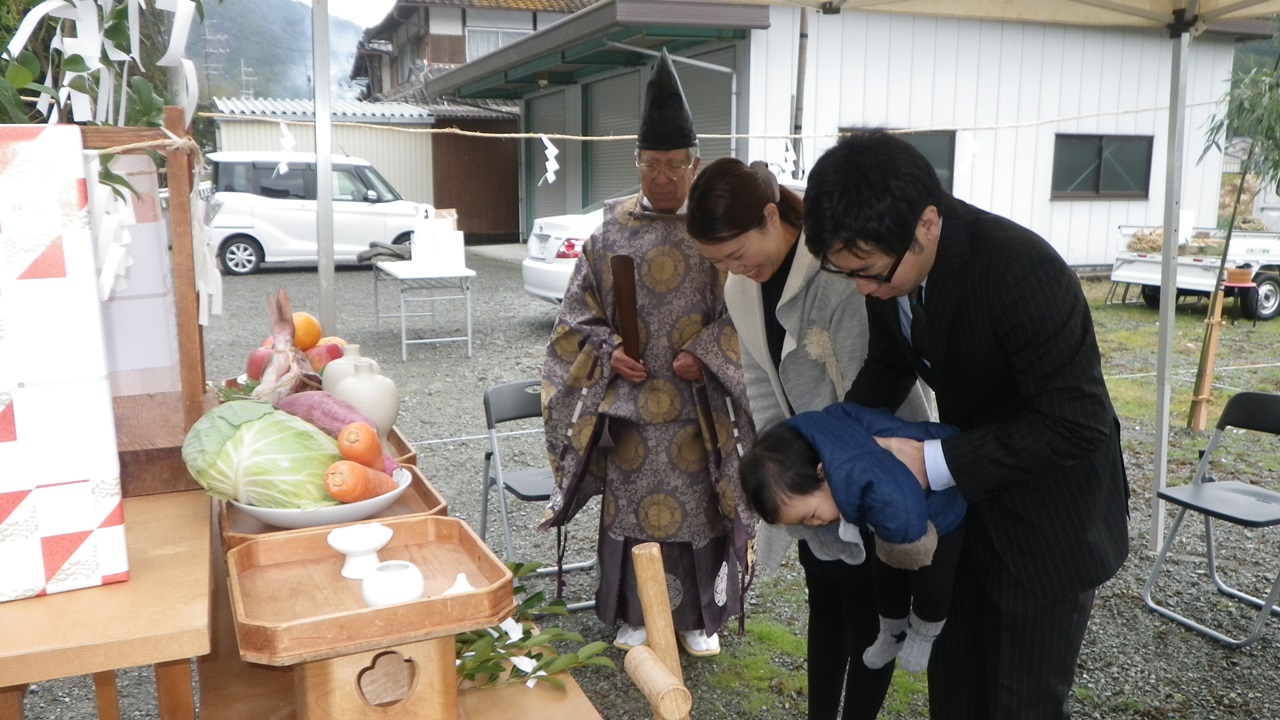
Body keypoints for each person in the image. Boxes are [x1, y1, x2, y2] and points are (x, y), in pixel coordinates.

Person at [803, 130, 1130, 719]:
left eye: (872, 273)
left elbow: (1077, 424)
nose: (863, 289)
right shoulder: (892, 270)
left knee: (1019, 703)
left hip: (1047, 523)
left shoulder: (1020, 270)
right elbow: (888, 364)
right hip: (966, 518)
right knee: (954, 696)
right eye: (847, 273)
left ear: (927, 223)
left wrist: (931, 464)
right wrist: (829, 438)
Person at [686, 157, 931, 719]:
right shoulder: (744, 289)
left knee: (873, 611)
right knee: (825, 598)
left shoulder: (832, 268)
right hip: (807, 470)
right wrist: (782, 466)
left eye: (735, 253)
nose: (733, 269)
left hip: (871, 455)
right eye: (718, 261)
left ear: (771, 216)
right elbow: (760, 386)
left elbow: (867, 386)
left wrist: (833, 474)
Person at [540, 49, 756, 659]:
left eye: (674, 164)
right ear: (636, 163)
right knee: (635, 515)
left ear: (695, 164)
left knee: (699, 515)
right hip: (630, 407)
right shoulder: (608, 232)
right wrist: (608, 351)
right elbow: (572, 320)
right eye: (650, 164)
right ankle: (634, 616)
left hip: (699, 406)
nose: (661, 177)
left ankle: (696, 621)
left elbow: (750, 310)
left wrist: (710, 353)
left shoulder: (717, 227)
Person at [741, 403, 965, 674]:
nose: (816, 523)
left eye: (810, 514)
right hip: (889, 519)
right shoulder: (820, 445)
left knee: (932, 582)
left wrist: (907, 551)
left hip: (940, 506)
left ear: (821, 472)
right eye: (804, 522)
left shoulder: (863, 475)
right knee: (883, 576)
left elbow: (903, 502)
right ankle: (892, 631)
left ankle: (923, 634)